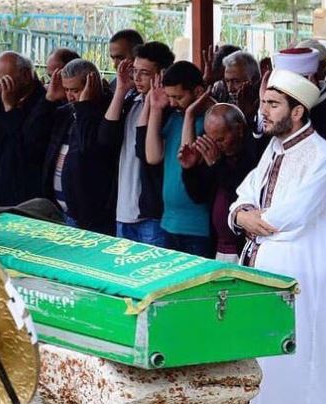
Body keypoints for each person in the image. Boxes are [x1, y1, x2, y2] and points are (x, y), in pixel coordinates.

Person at [230, 69, 326, 404]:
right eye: (264, 103)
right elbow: (246, 192)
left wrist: (251, 220)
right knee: (272, 369)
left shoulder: (321, 155)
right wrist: (242, 214)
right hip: (268, 274)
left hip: (302, 280)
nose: (264, 111)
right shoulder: (274, 149)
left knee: (301, 371)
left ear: (298, 111)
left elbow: (290, 215)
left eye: (273, 105)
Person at [99, 41, 174, 246]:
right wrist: (121, 89)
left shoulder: (169, 110)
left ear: (161, 74)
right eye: (135, 71)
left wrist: (153, 106)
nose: (137, 78)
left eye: (145, 73)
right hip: (123, 209)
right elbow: (105, 139)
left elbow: (147, 154)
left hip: (152, 214)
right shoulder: (131, 102)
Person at [140, 60, 212, 257]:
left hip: (197, 227)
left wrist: (190, 116)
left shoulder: (211, 120)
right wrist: (155, 109)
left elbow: (188, 159)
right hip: (169, 222)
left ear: (198, 92)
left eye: (178, 97)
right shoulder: (174, 117)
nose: (172, 103)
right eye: (169, 97)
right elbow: (152, 156)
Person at [181, 103, 263, 263]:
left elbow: (241, 194)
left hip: (245, 246)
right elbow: (198, 196)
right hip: (217, 246)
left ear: (238, 129)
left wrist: (217, 165)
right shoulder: (215, 153)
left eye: (221, 139)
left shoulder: (255, 152)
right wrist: (189, 169)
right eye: (212, 140)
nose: (217, 145)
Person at [0, 51, 54, 206]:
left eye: (5, 82)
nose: (0, 89)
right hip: (0, 192)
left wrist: (10, 109)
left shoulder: (46, 104)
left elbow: (27, 150)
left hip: (30, 197)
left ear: (25, 76)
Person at [42, 59, 113, 233]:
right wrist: (49, 100)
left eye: (75, 90)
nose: (70, 96)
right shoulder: (67, 112)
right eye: (66, 90)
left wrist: (85, 108)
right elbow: (34, 136)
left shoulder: (105, 113)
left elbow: (87, 151)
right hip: (61, 212)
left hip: (90, 217)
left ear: (92, 85)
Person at [220, 50, 262, 122]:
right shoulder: (223, 99)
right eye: (227, 81)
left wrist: (246, 116)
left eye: (236, 81)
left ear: (254, 80)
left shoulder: (265, 108)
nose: (230, 89)